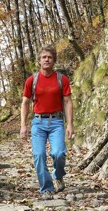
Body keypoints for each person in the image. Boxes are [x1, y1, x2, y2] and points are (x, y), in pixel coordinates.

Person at [20, 46, 74, 199]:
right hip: (38, 122)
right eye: (44, 57)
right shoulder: (32, 80)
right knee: (39, 155)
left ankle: (58, 175)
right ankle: (46, 189)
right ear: (39, 61)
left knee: (58, 153)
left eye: (50, 57)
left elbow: (68, 102)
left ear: (54, 60)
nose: (46, 59)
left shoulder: (61, 79)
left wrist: (70, 124)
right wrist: (23, 125)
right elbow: (25, 103)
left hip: (56, 121)